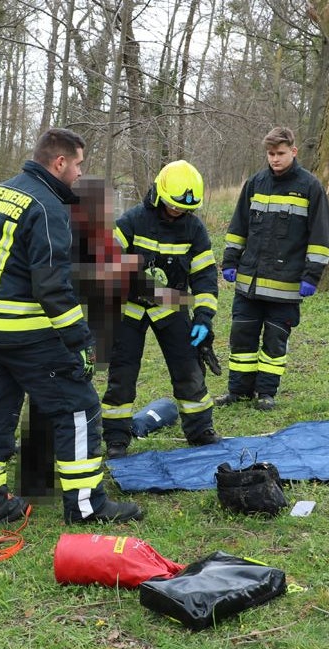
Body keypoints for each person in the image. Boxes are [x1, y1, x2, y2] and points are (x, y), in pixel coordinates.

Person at [0, 127, 143, 527]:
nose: (81, 173)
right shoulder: (46, 208)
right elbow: (52, 287)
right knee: (79, 407)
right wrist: (80, 340)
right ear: (59, 162)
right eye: (78, 164)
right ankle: (87, 506)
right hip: (25, 330)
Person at [101, 160, 223, 457]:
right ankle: (117, 437)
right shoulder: (132, 221)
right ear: (158, 196)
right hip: (130, 307)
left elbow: (205, 276)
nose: (178, 212)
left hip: (170, 306)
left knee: (188, 368)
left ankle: (200, 428)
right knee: (122, 373)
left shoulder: (194, 230)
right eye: (173, 206)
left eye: (184, 208)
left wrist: (204, 317)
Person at [217, 126, 329, 411]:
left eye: (280, 154)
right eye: (270, 154)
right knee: (241, 337)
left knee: (274, 341)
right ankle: (239, 391)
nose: (275, 159)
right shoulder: (255, 183)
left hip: (286, 285)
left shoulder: (310, 187)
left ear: (293, 151)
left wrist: (311, 276)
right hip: (249, 284)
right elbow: (238, 226)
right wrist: (230, 260)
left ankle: (266, 393)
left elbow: (320, 236)